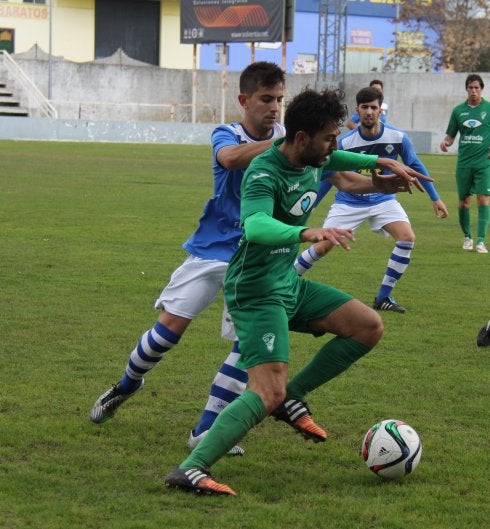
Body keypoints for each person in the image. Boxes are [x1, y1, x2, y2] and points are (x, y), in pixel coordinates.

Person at [164, 87, 431, 496]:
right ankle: (193, 468)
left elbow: (341, 158)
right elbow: (255, 226)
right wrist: (308, 231)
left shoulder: (315, 156)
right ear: (302, 138)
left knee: (368, 326)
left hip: (287, 283)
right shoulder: (263, 171)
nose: (334, 146)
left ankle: (295, 397)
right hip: (255, 291)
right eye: (328, 138)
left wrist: (379, 161)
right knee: (265, 389)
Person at [89, 62, 287, 453]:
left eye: (280, 99)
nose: (275, 107)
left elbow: (325, 171)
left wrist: (375, 179)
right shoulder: (226, 133)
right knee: (166, 333)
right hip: (210, 249)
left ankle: (206, 429)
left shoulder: (285, 137)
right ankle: (127, 385)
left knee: (246, 346)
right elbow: (231, 159)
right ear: (244, 100)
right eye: (266, 99)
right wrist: (286, 143)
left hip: (253, 258)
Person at [295, 86, 448, 314]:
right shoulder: (345, 143)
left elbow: (415, 166)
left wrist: (435, 198)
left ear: (380, 110)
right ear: (357, 110)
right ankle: (286, 279)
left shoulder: (397, 137)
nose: (369, 112)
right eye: (365, 107)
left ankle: (383, 297)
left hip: (383, 200)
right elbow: (329, 178)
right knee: (323, 246)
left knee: (407, 238)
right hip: (349, 202)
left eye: (373, 107)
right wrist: (308, 208)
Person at [440, 74, 490, 254]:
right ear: (467, 89)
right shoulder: (458, 111)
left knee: (483, 198)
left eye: (477, 87)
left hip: (484, 163)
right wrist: (445, 143)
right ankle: (467, 237)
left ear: (481, 89)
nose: (474, 91)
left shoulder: (489, 109)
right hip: (464, 163)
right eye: (471, 87)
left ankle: (481, 241)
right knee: (463, 202)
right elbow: (451, 136)